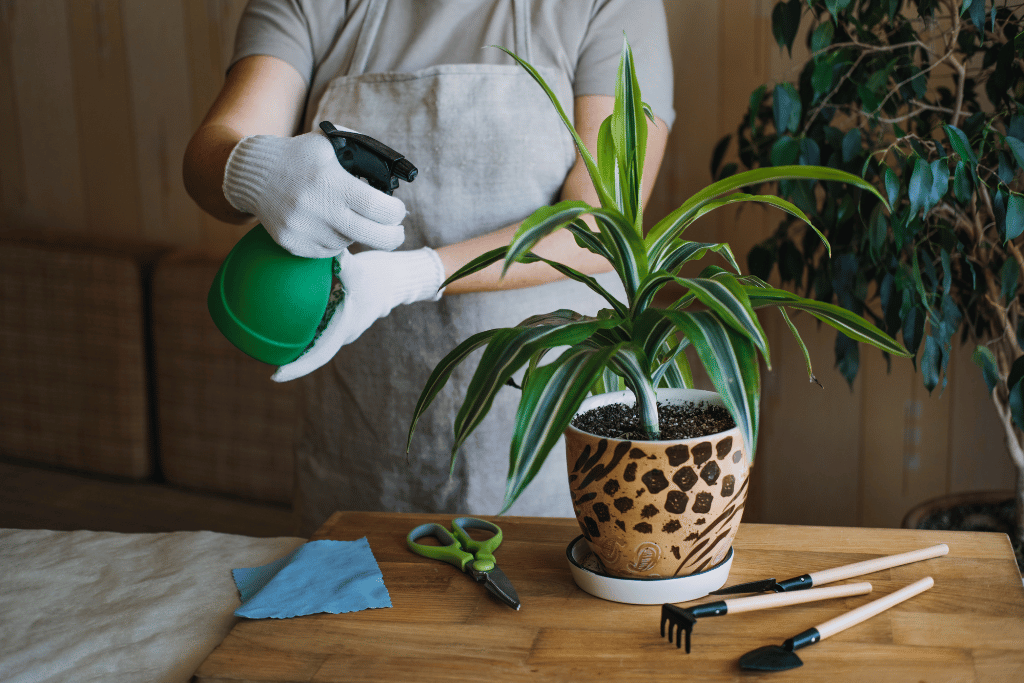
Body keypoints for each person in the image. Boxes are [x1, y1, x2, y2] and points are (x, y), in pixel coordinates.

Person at [183, 0, 675, 535]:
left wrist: (418, 274)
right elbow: (214, 148)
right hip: (362, 437)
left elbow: (601, 224)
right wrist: (251, 168)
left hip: (544, 447)